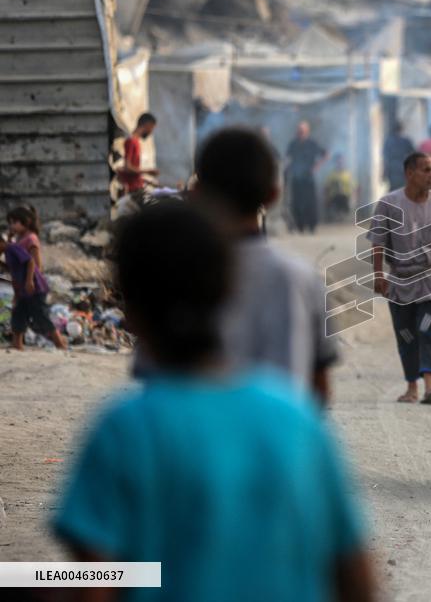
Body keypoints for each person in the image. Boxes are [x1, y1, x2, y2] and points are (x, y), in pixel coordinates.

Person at [53, 202, 376, 601]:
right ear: (229, 291)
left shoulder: (123, 428)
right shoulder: (299, 422)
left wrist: (26, 581)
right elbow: (355, 575)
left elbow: (99, 580)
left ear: (130, 310)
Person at [192, 127, 338, 405]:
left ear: (197, 192)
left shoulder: (175, 276)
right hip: (279, 439)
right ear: (272, 196)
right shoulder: (304, 279)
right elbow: (319, 389)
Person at [369, 152, 431, 405]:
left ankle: (430, 386)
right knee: (405, 334)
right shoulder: (388, 204)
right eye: (426, 170)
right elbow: (378, 243)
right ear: (409, 173)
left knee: (426, 328)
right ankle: (411, 387)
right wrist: (379, 275)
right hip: (400, 281)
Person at [3, 206, 66, 351]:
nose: (11, 226)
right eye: (10, 223)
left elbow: (36, 263)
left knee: (40, 315)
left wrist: (30, 280)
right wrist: (11, 239)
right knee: (18, 313)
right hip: (22, 285)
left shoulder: (30, 238)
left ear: (26, 222)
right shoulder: (18, 240)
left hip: (34, 285)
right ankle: (16, 344)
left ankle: (60, 343)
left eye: (14, 222)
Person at [286, 121, 328, 234]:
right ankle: (300, 226)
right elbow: (289, 158)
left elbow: (326, 154)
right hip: (296, 178)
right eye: (299, 131)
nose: (300, 133)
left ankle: (311, 226)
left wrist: (316, 166)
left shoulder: (312, 143)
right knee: (297, 202)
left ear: (307, 132)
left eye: (302, 131)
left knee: (310, 202)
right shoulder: (293, 144)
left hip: (309, 178)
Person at [116, 112, 159, 195]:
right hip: (132, 191)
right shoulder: (131, 141)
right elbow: (127, 167)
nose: (151, 132)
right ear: (147, 125)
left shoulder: (135, 141)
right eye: (151, 128)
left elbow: (133, 172)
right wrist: (148, 171)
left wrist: (148, 182)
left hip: (137, 187)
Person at [382, 121, 416, 191]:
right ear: (402, 129)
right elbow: (414, 156)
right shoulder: (406, 141)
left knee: (393, 191)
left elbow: (385, 158)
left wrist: (384, 172)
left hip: (392, 170)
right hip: (403, 170)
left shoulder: (389, 141)